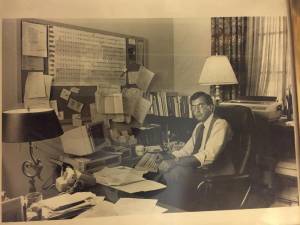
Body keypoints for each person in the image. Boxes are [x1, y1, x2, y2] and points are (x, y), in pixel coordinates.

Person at [156, 91, 234, 210]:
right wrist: (168, 156)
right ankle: (169, 209)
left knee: (174, 173)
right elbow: (187, 150)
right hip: (199, 170)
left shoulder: (221, 124)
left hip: (217, 173)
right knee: (164, 173)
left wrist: (175, 162)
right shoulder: (199, 127)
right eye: (193, 107)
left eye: (200, 106)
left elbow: (208, 156)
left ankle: (175, 211)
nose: (196, 111)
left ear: (210, 107)